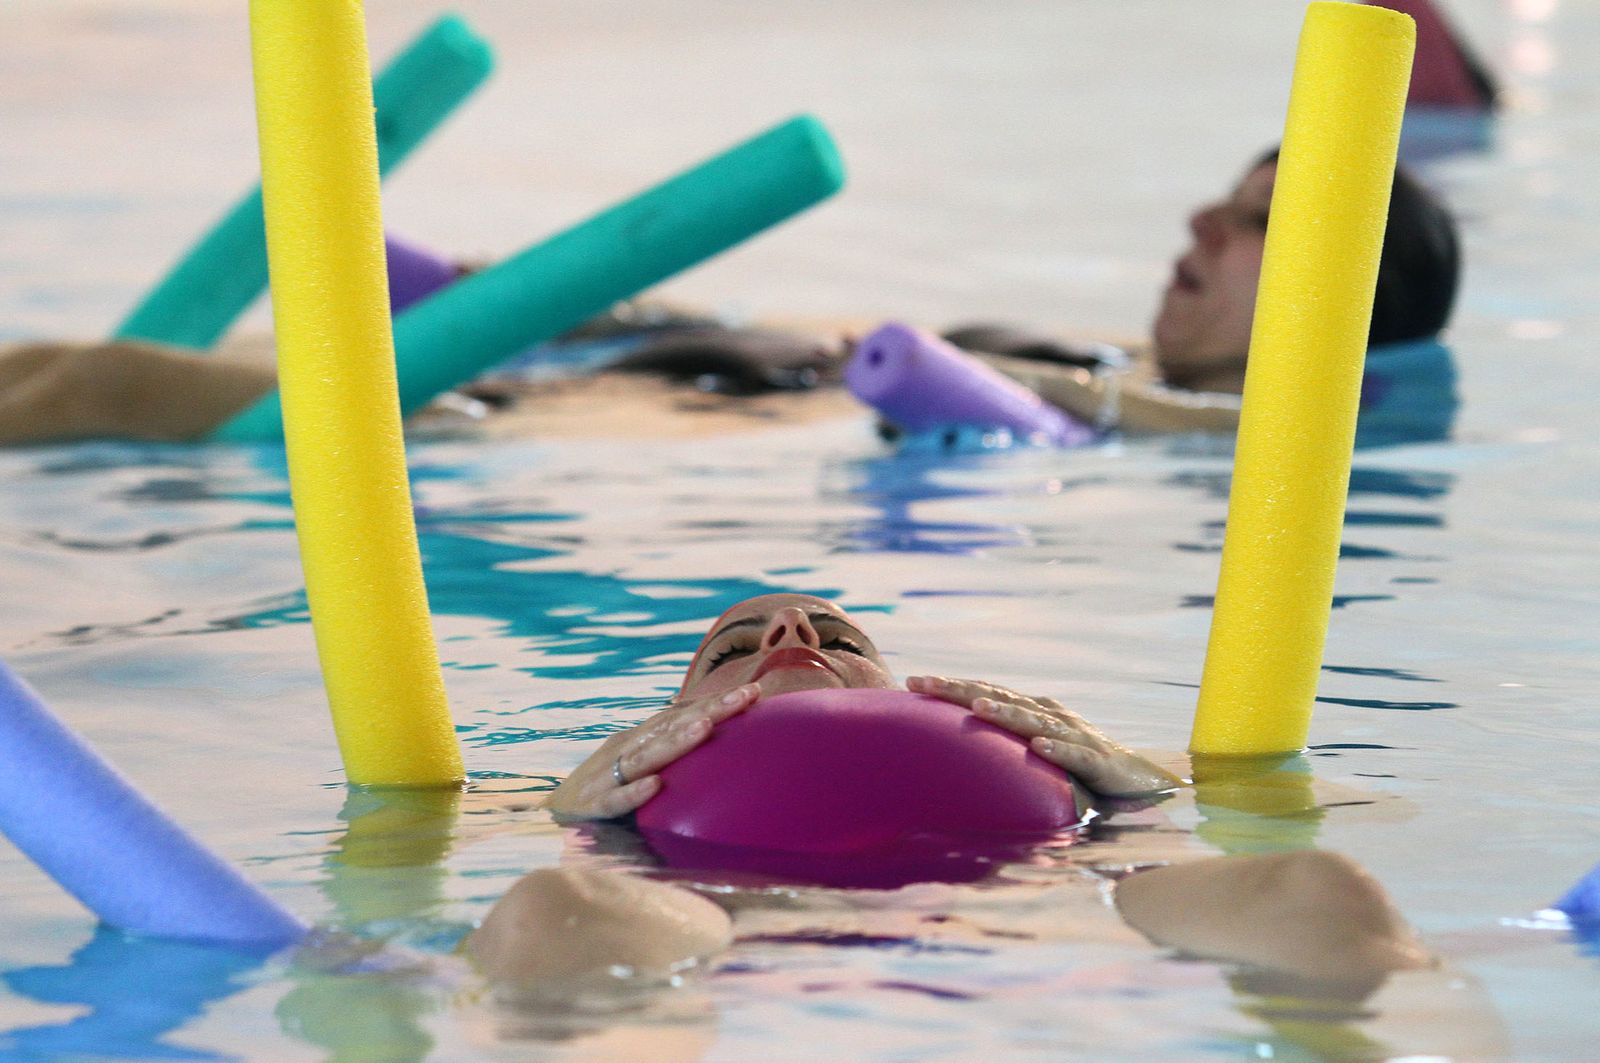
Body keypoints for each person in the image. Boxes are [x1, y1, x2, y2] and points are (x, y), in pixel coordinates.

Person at [0, 151, 1459, 448]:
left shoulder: (1190, 420)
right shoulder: (1113, 354)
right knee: (66, 361)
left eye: (1253, 220)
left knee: (104, 383)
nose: (1200, 221)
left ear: (1330, 301)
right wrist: (599, 302)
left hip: (528, 428)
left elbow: (1235, 436)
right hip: (587, 364)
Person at [461, 593, 1436, 1007]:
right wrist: (573, 809)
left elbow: (1366, 807)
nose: (792, 633)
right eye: (735, 647)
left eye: (838, 639)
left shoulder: (1047, 746)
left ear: (891, 692)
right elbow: (406, 829)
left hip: (1030, 902)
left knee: (1319, 897)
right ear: (672, 714)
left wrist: (1140, 787)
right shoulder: (585, 784)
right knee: (556, 917)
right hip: (720, 911)